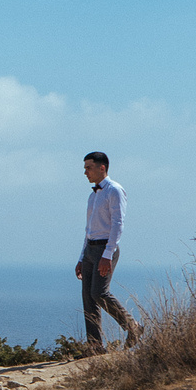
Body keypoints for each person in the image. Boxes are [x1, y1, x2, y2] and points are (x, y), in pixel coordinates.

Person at [76, 151, 140, 352]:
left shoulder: (115, 190)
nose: (85, 172)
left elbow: (118, 224)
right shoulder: (92, 195)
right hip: (90, 249)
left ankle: (133, 327)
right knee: (88, 298)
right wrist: (81, 257)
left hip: (106, 248)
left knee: (99, 292)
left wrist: (107, 255)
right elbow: (89, 229)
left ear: (102, 167)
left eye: (89, 167)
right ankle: (95, 347)